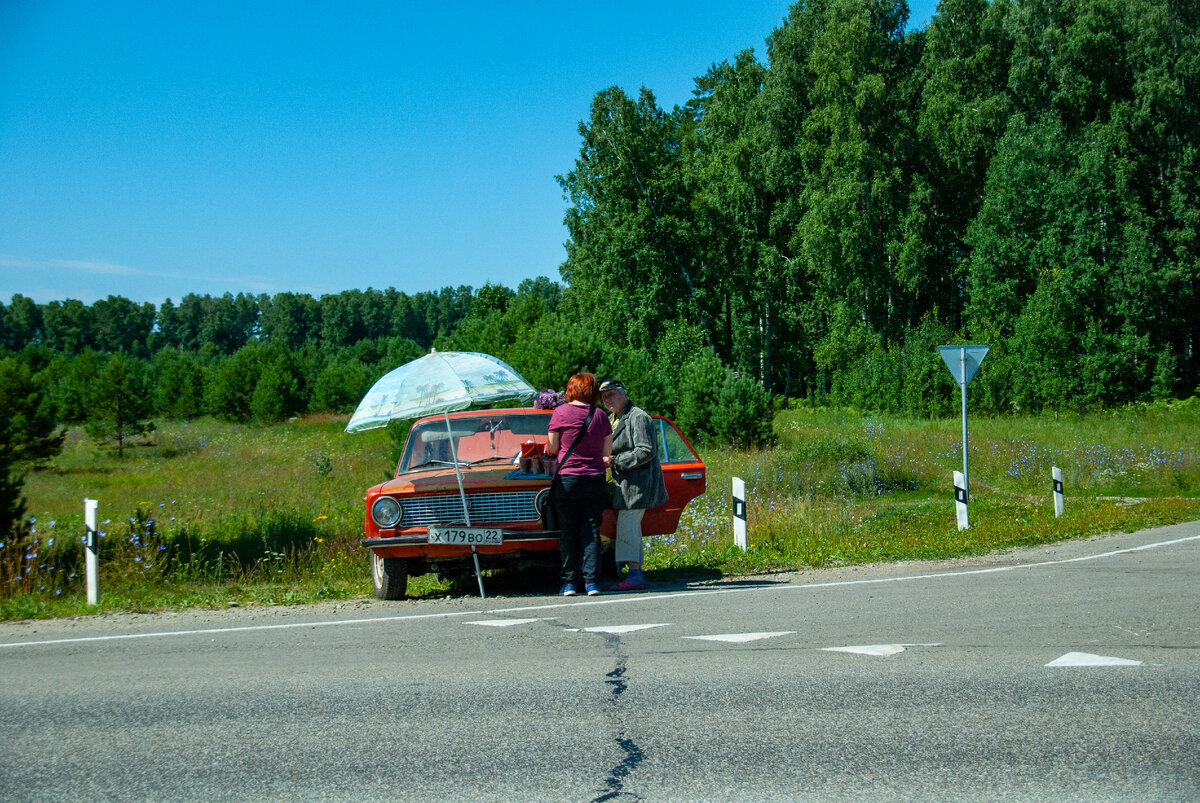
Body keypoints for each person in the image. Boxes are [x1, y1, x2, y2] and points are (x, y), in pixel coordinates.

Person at [546, 372, 612, 597]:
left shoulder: (560, 413)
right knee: (591, 532)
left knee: (569, 532)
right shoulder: (601, 415)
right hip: (594, 478)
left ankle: (570, 583)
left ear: (571, 389)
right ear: (592, 391)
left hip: (569, 479)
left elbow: (553, 448)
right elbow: (606, 453)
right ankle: (592, 583)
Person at [600, 379, 667, 591]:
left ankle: (635, 575)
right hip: (622, 487)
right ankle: (635, 574)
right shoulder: (614, 418)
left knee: (627, 528)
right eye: (604, 397)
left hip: (636, 486)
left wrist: (615, 461)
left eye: (611, 394)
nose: (607, 399)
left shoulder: (638, 417)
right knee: (629, 528)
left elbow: (646, 451)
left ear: (623, 393)